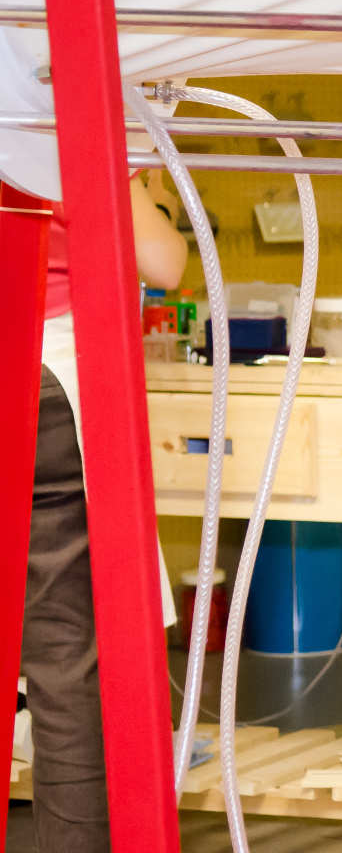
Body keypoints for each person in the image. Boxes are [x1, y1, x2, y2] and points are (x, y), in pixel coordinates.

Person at [27, 169, 185, 849]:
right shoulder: (55, 113)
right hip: (44, 371)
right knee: (65, 651)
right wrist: (140, 178)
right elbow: (165, 262)